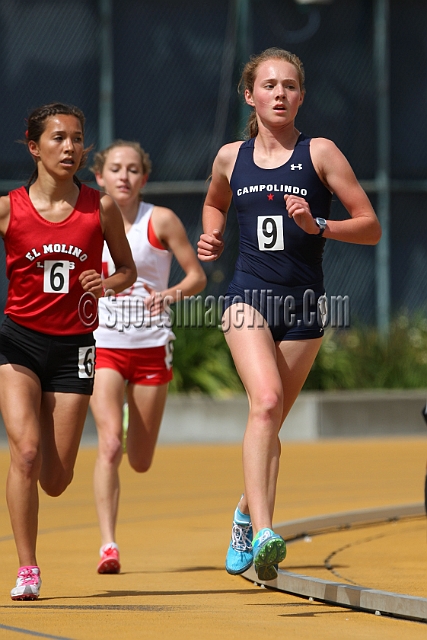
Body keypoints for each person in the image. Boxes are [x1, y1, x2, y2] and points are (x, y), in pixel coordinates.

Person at [197, 48, 381, 581]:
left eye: (291, 85)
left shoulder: (320, 152)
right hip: (247, 299)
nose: (280, 94)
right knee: (267, 402)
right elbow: (214, 202)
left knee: (269, 420)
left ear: (302, 96)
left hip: (304, 306)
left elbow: (369, 225)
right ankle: (265, 533)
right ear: (249, 95)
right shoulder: (232, 157)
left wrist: (318, 225)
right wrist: (211, 234)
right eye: (270, 85)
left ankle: (241, 514)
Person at [0, 103, 137, 601]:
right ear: (34, 147)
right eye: (58, 138)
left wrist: (107, 284)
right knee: (26, 453)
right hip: (17, 343)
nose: (70, 147)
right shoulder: (8, 207)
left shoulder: (98, 207)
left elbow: (127, 270)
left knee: (55, 479)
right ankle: (28, 569)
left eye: (77, 139)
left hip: (75, 348)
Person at [89, 140, 206, 574]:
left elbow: (196, 275)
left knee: (139, 460)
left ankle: (127, 418)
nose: (124, 176)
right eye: (115, 168)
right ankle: (108, 545)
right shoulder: (87, 220)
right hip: (103, 345)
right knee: (109, 445)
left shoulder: (161, 220)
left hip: (151, 345)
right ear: (99, 176)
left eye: (133, 169)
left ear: (144, 177)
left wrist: (172, 293)